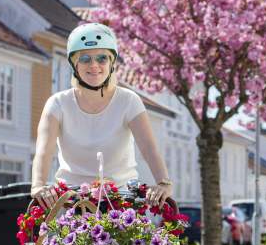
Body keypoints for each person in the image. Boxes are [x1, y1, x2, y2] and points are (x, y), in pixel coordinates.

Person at [30, 23, 173, 211]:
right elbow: (43, 151)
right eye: (85, 58)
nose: (94, 65)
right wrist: (38, 185)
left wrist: (163, 182)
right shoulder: (58, 104)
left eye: (102, 58)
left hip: (121, 201)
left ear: (112, 63)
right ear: (75, 64)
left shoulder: (129, 101)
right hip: (73, 202)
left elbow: (149, 148)